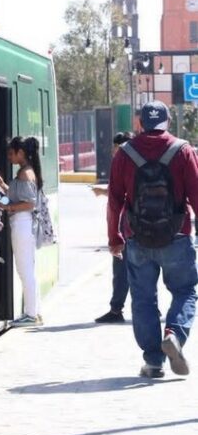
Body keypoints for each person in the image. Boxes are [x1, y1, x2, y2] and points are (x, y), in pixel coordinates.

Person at [107, 100, 198, 378]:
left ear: (140, 123)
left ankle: (153, 362)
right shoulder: (183, 150)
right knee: (185, 291)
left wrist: (114, 237)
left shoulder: (125, 153)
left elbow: (114, 200)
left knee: (143, 300)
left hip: (138, 238)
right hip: (177, 236)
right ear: (167, 121)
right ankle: (174, 334)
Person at [0, 135, 43, 327]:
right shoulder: (26, 172)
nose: (9, 157)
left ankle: (31, 315)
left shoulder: (25, 174)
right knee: (28, 270)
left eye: (11, 153)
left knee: (25, 270)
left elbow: (29, 203)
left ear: (21, 153)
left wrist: (7, 207)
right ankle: (35, 312)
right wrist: (2, 186)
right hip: (24, 224)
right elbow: (19, 196)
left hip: (22, 224)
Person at [92, 131, 133, 323]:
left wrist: (114, 235)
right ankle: (151, 308)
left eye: (116, 147)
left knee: (121, 270)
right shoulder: (137, 163)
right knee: (142, 270)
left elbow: (120, 195)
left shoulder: (123, 163)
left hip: (125, 227)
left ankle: (116, 310)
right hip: (135, 226)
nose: (113, 151)